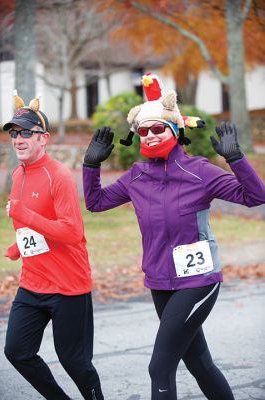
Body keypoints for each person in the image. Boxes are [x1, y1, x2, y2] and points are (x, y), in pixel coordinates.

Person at [82, 73, 265, 400]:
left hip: (198, 281)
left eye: (158, 128)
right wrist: (90, 166)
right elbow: (95, 204)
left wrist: (235, 159)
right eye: (143, 131)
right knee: (199, 363)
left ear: (176, 130)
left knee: (160, 367)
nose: (150, 136)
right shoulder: (136, 175)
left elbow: (255, 197)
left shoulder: (200, 171)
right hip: (160, 282)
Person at [3, 91, 104, 400]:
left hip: (67, 286)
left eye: (26, 133)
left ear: (43, 138)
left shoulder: (58, 175)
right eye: (13, 133)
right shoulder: (18, 174)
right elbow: (36, 227)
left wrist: (25, 215)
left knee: (74, 361)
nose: (18, 139)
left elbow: (71, 232)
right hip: (33, 283)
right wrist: (18, 246)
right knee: (17, 352)